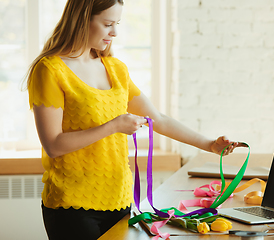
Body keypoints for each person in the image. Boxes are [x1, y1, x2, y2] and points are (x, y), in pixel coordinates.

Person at [25, 0, 244, 239]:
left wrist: (209, 144)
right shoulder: (49, 70)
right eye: (108, 24)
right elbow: (54, 144)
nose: (115, 32)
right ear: (82, 19)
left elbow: (157, 119)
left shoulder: (116, 69)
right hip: (72, 207)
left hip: (119, 201)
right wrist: (113, 126)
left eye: (117, 23)